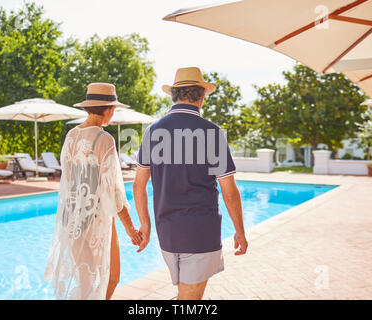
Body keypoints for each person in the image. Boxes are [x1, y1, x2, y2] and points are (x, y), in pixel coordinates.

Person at [133, 67, 248, 300]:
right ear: (202, 96)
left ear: (174, 95)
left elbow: (138, 185)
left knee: (185, 295)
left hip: (166, 234)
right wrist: (240, 231)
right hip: (200, 233)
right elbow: (230, 192)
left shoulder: (152, 132)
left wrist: (145, 224)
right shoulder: (212, 133)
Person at [44, 82, 141, 300]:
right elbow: (114, 191)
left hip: (72, 216)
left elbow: (67, 179)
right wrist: (131, 229)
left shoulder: (71, 135)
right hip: (95, 216)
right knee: (105, 278)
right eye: (113, 109)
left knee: (94, 279)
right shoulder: (104, 139)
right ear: (108, 109)